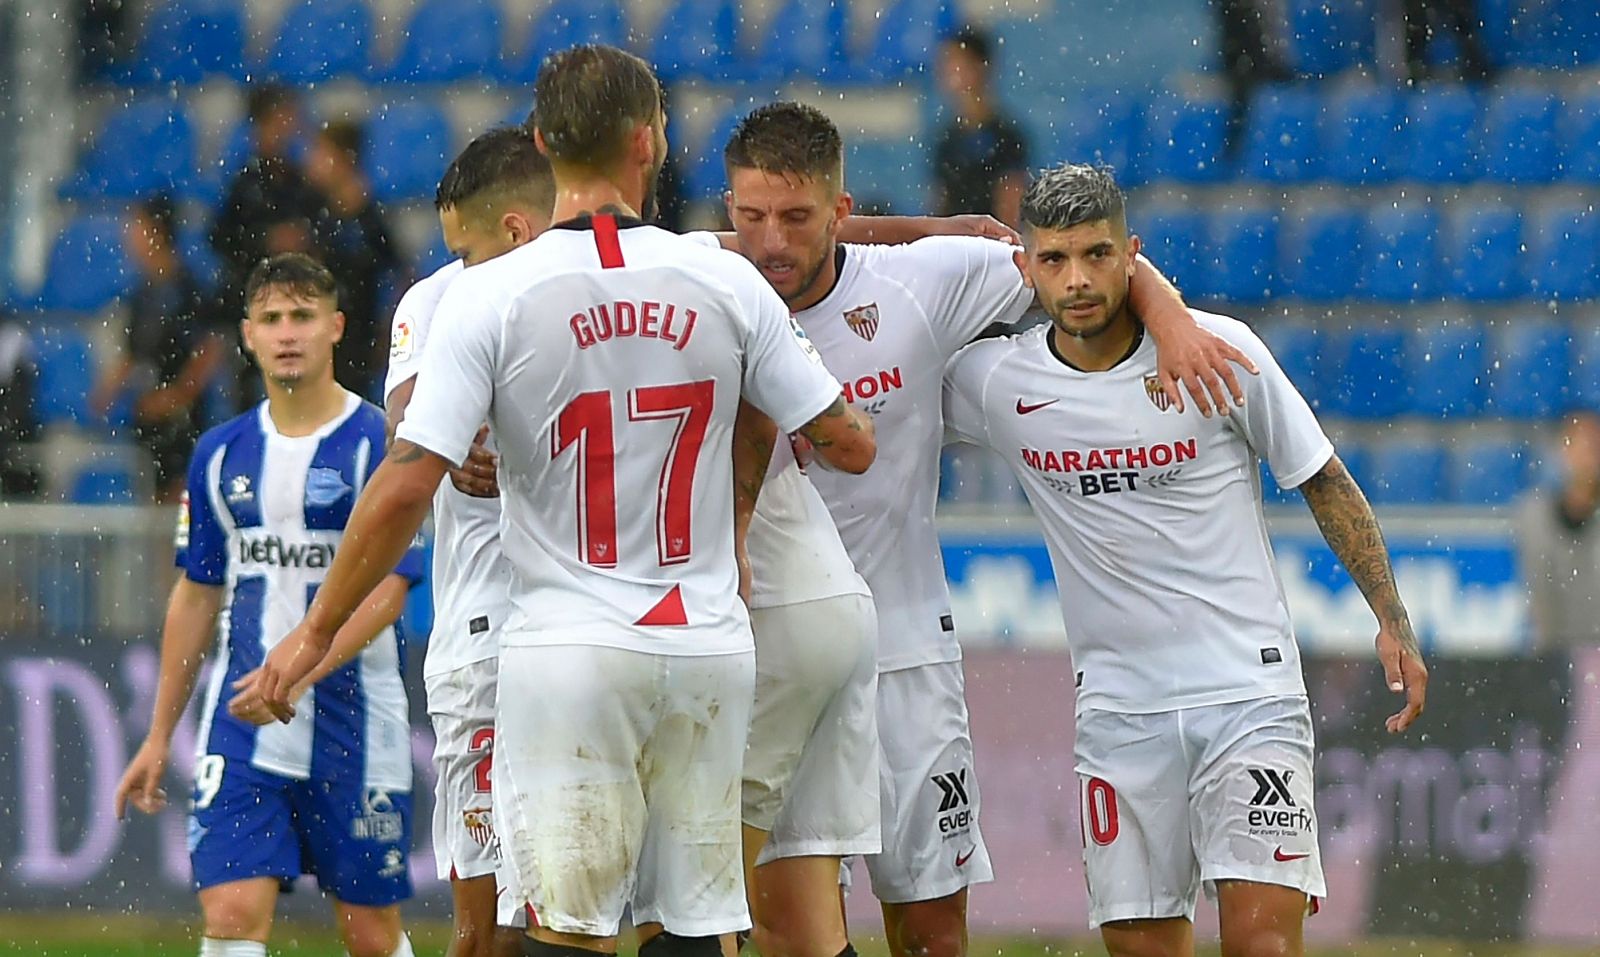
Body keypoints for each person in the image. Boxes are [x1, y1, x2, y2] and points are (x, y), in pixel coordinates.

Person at [235, 43, 877, 957]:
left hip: (569, 646)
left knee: (561, 931)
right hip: (704, 639)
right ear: (649, 143)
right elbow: (847, 442)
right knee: (693, 922)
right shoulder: (722, 276)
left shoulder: (489, 292)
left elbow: (408, 476)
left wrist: (311, 637)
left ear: (541, 143)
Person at [720, 102, 1249, 957]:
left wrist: (1173, 316)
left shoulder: (921, 282)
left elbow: (1079, 262)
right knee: (787, 929)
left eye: (796, 217)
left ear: (841, 210)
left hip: (904, 652)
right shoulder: (708, 282)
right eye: (751, 217)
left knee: (932, 932)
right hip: (771, 651)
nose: (772, 241)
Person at [942, 163, 1429, 957]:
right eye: (1056, 260)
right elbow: (878, 380)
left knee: (1263, 944)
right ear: (1026, 267)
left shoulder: (1217, 351)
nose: (1078, 279)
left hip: (1248, 694)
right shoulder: (997, 381)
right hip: (1118, 713)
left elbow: (1323, 477)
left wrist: (1392, 617)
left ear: (1132, 253)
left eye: (1098, 255)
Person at [113, 253, 424, 957]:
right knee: (229, 912)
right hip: (243, 725)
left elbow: (391, 585)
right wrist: (161, 734)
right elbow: (196, 593)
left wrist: (301, 667)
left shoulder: (377, 442)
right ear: (248, 334)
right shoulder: (220, 454)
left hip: (355, 723)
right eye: (272, 318)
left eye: (304, 316)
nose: (288, 333)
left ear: (336, 327)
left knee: (372, 934)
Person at [383, 125, 557, 957]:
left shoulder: (586, 289)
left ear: (516, 227)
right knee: (485, 928)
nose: (456, 264)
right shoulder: (435, 301)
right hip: (484, 632)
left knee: (582, 914)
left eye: (467, 246)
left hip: (584, 632)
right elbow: (407, 432)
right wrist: (447, 450)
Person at [92, 194, 227, 503]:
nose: (129, 236)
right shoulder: (142, 293)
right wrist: (110, 389)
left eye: (136, 227)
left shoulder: (188, 289)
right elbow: (135, 350)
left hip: (182, 422)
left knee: (178, 505)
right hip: (147, 416)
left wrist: (177, 395)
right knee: (151, 504)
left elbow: (208, 350)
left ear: (157, 231)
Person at [306, 119, 399, 401]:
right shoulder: (312, 212)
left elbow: (395, 274)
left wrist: (386, 331)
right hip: (321, 338)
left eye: (322, 153)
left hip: (358, 340)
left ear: (344, 159)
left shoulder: (370, 220)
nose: (314, 161)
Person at [1515, 409, 1600, 648]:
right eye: (1578, 446)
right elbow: (1540, 596)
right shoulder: (1533, 517)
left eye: (1593, 447)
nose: (1587, 457)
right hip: (1554, 653)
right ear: (1562, 451)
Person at [930, 26, 1029, 228]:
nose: (947, 71)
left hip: (993, 249)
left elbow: (1011, 209)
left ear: (980, 66)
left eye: (956, 63)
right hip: (956, 250)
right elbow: (940, 207)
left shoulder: (1006, 136)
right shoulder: (946, 139)